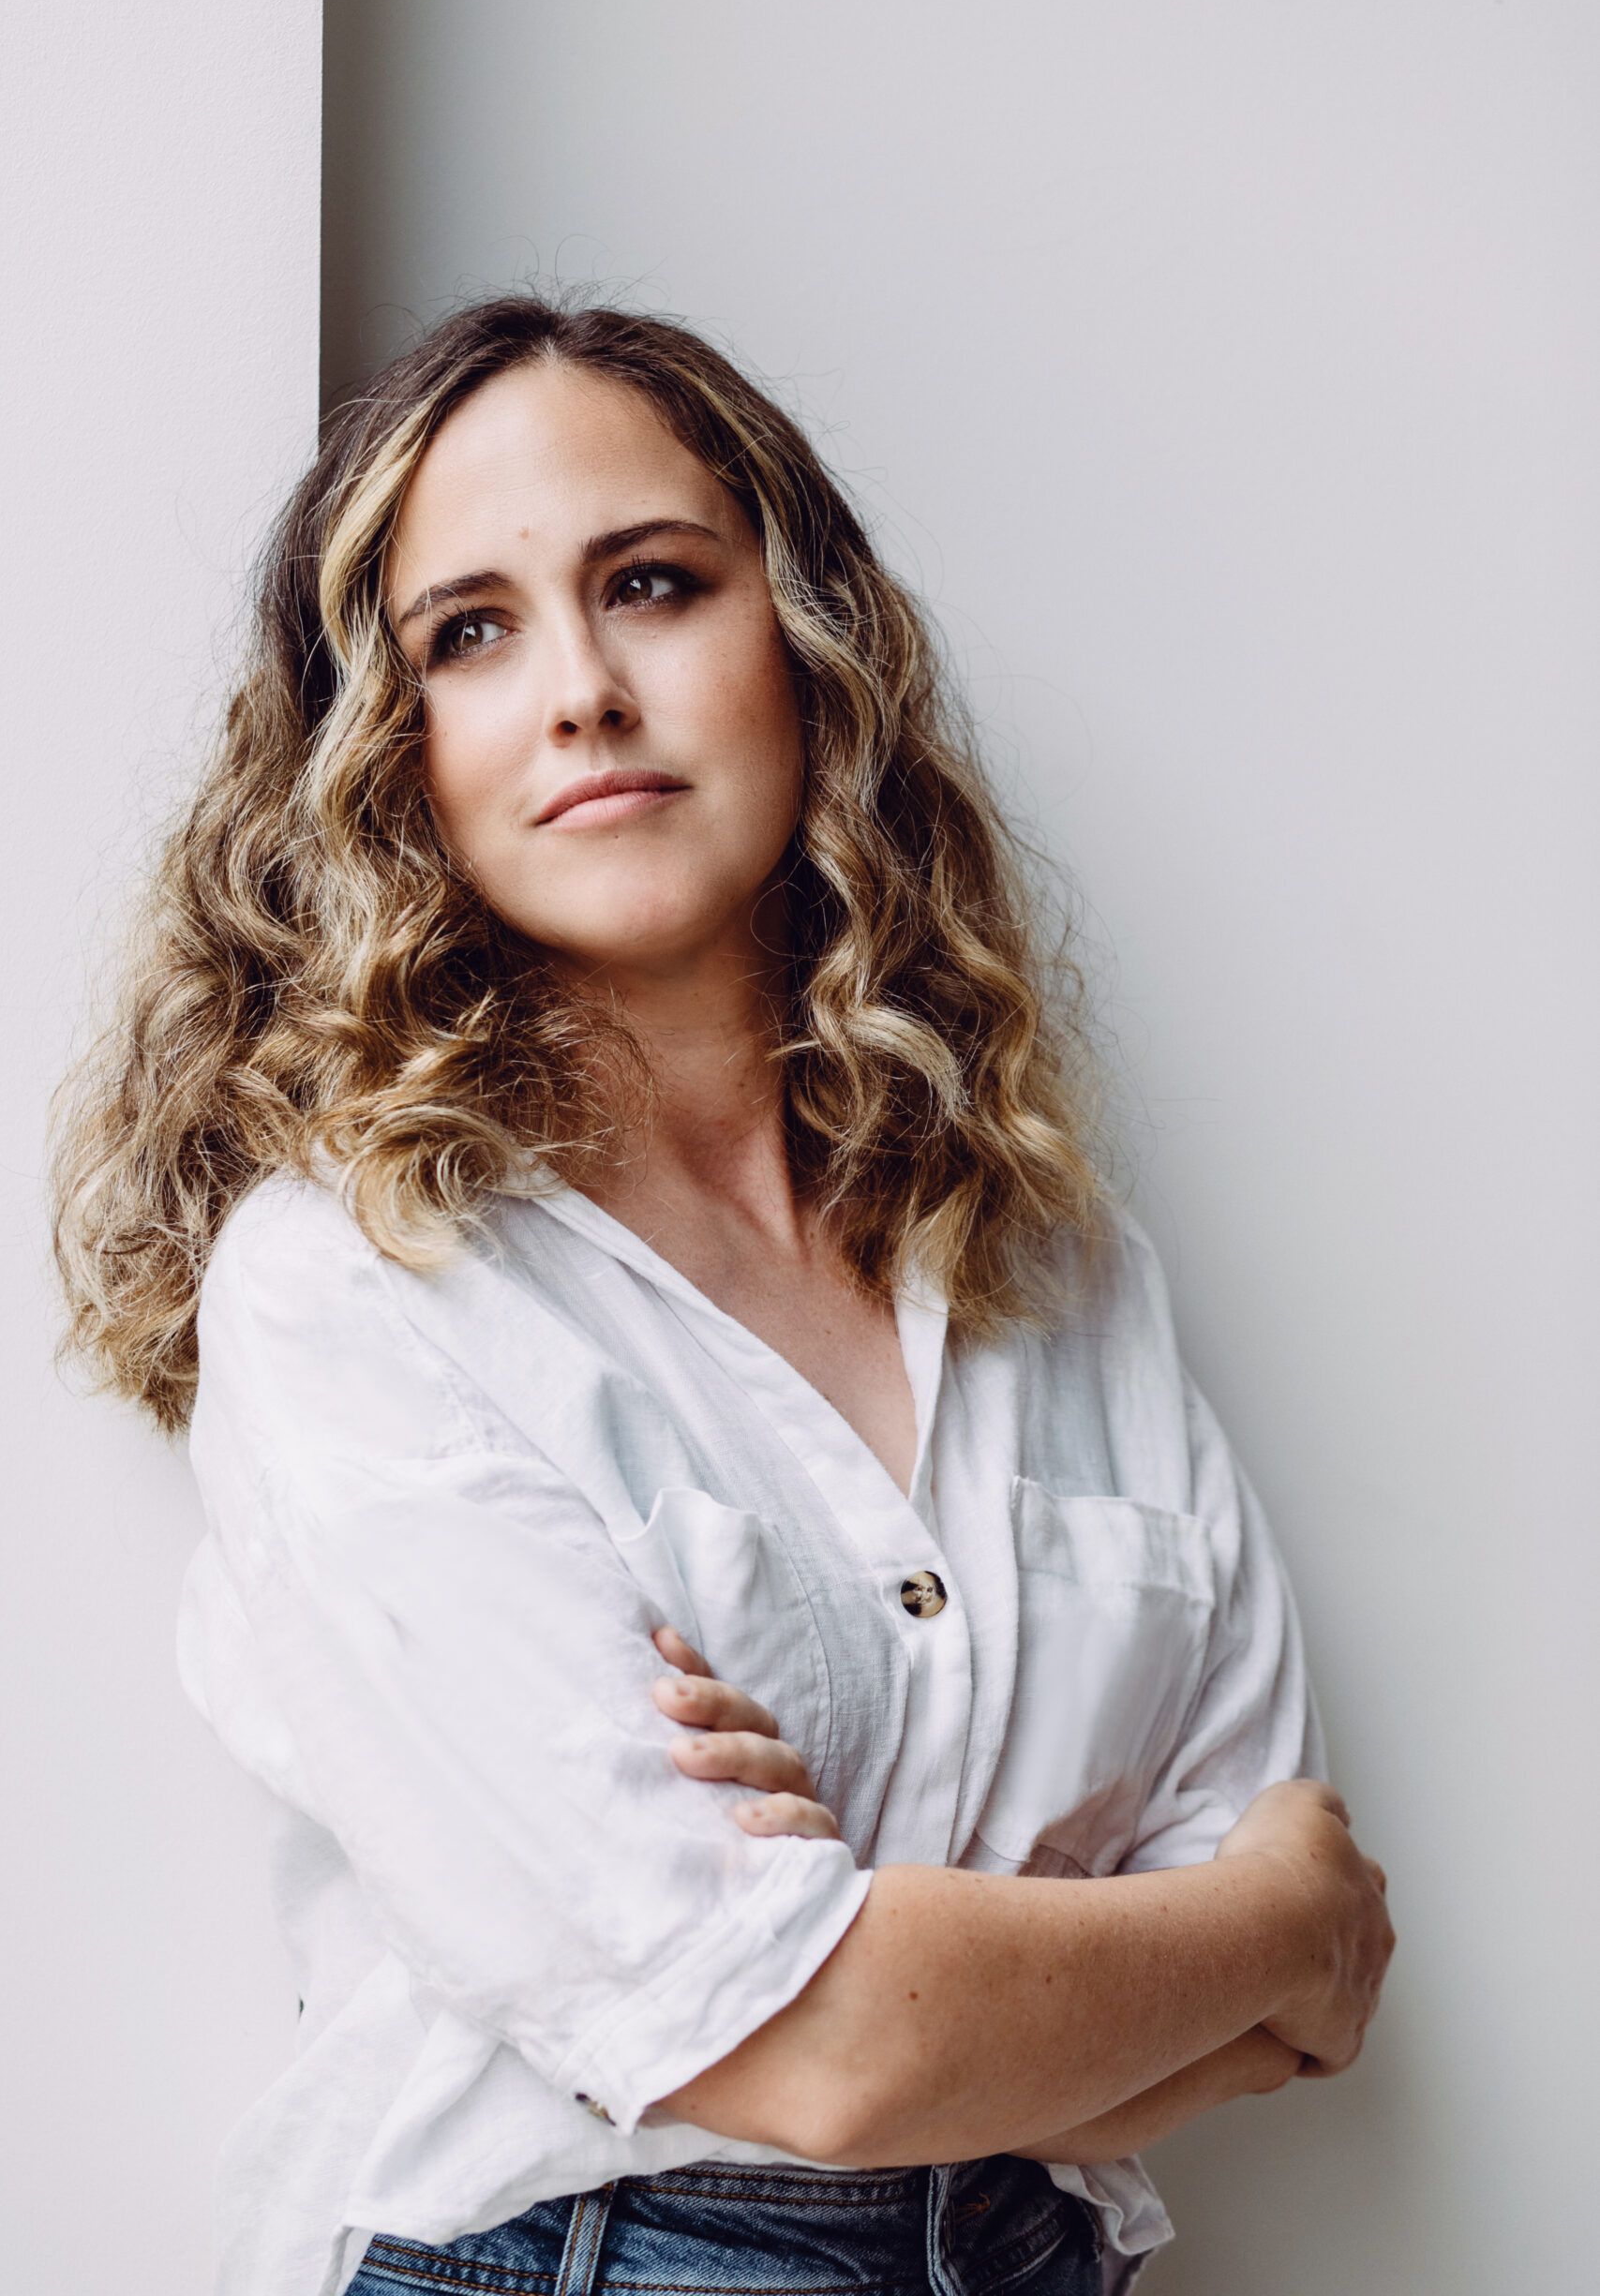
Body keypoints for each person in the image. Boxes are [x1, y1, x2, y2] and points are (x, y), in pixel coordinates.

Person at [52, 295, 1393, 2296]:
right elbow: (821, 2048)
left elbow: (1254, 2024)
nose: (584, 693)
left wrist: (893, 1948)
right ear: (385, 754)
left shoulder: (1042, 1250)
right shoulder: (354, 1285)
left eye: (653, 584)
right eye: (469, 632)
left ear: (809, 643)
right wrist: (1272, 1924)